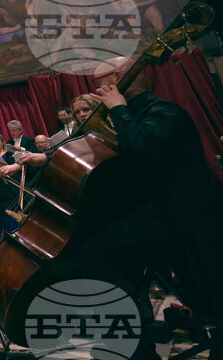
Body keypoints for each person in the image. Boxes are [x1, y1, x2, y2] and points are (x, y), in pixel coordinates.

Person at [78, 59, 223, 358]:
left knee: (97, 254)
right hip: (154, 216)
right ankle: (134, 338)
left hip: (179, 219)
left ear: (118, 78)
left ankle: (134, 347)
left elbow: (144, 144)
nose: (96, 91)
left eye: (99, 83)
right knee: (111, 256)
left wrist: (117, 107)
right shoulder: (132, 115)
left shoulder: (163, 111)